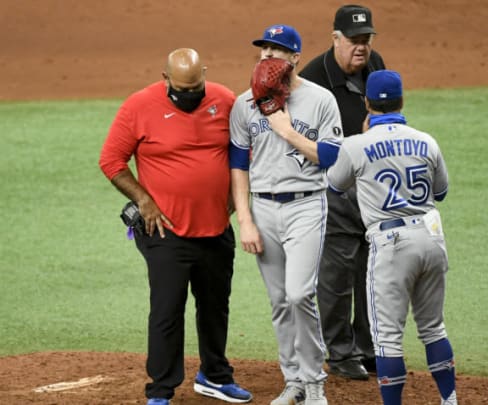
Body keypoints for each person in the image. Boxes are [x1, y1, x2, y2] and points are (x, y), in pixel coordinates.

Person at [98, 48, 252, 405]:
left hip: (216, 228)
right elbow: (111, 160)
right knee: (168, 309)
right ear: (165, 78)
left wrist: (237, 194)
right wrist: (144, 199)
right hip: (164, 231)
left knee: (215, 306)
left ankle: (214, 375)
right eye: (181, 91)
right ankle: (162, 390)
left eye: (195, 89)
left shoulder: (225, 100)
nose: (189, 98)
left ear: (205, 76)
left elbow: (244, 150)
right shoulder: (139, 106)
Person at [326, 70, 458, 405]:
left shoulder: (356, 145)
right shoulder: (427, 141)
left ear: (367, 103)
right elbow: (440, 192)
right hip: (431, 238)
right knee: (433, 328)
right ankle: (450, 399)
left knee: (386, 338)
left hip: (392, 245)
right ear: (402, 100)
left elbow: (334, 185)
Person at [228, 24, 343, 405]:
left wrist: (287, 130)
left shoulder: (320, 99)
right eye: (264, 50)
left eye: (277, 50)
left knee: (298, 294)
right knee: (279, 301)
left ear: (295, 58)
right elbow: (238, 166)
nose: (268, 56)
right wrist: (244, 219)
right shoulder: (244, 103)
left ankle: (313, 382)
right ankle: (292, 379)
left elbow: (330, 158)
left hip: (306, 204)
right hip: (262, 207)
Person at [299, 4, 386, 380]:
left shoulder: (376, 66)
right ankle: (339, 352)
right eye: (354, 40)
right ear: (335, 38)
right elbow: (298, 142)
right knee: (336, 276)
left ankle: (367, 347)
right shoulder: (311, 79)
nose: (361, 47)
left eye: (366, 39)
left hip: (371, 189)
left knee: (373, 271)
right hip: (331, 189)